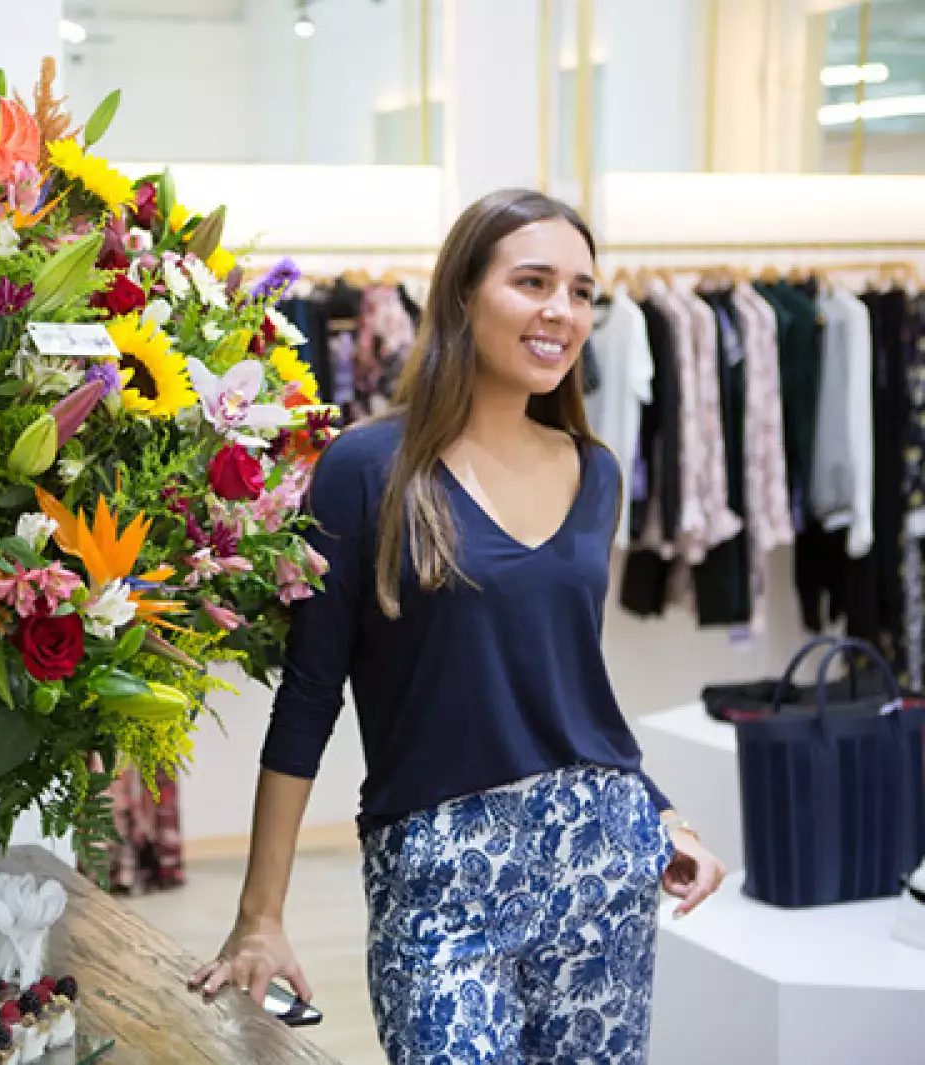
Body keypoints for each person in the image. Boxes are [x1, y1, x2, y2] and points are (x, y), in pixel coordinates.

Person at [191, 189, 726, 1063]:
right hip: (439, 873)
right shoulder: (368, 470)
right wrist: (260, 915)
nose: (561, 310)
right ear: (464, 295)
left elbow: (564, 684)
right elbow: (311, 692)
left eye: (582, 291)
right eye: (533, 281)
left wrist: (660, 814)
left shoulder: (596, 474)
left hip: (600, 860)